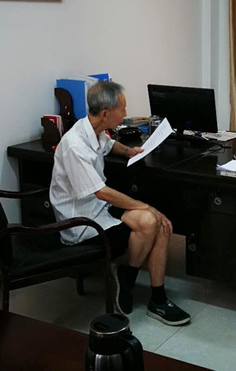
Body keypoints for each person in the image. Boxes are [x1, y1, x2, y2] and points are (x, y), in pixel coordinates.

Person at [49, 80, 191, 326]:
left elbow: (108, 144)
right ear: (105, 113)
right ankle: (131, 280)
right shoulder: (74, 145)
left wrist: (128, 151)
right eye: (122, 109)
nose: (126, 114)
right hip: (81, 223)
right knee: (151, 219)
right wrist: (146, 206)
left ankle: (151, 295)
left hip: (97, 208)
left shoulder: (92, 128)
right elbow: (102, 192)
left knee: (157, 223)